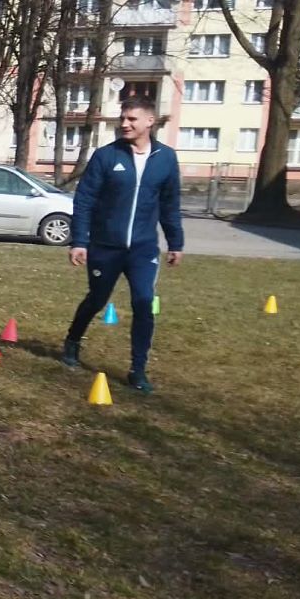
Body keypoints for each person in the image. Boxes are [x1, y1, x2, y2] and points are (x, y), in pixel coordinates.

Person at [61, 97, 184, 393]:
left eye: (132, 119)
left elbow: (170, 204)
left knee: (143, 303)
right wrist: (80, 241)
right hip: (105, 247)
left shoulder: (166, 158)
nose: (125, 124)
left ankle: (138, 370)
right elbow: (85, 200)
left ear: (149, 121)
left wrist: (175, 242)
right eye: (123, 118)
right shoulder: (106, 156)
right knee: (97, 299)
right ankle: (73, 340)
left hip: (143, 249)